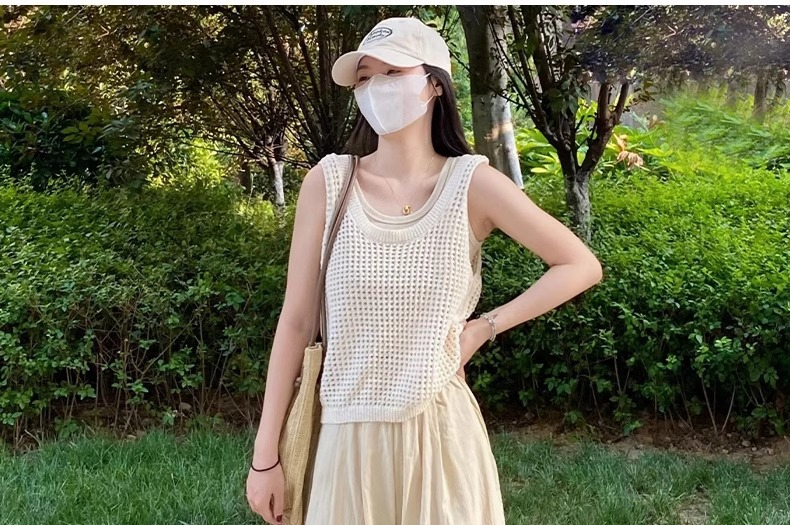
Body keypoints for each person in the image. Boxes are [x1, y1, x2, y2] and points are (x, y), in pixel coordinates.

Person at [246, 16, 603, 525]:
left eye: (392, 72)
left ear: (434, 84)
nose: (375, 88)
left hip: (441, 439)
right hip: (345, 441)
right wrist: (265, 457)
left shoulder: (472, 184)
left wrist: (483, 328)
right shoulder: (328, 183)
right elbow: (296, 322)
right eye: (364, 77)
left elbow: (579, 264)